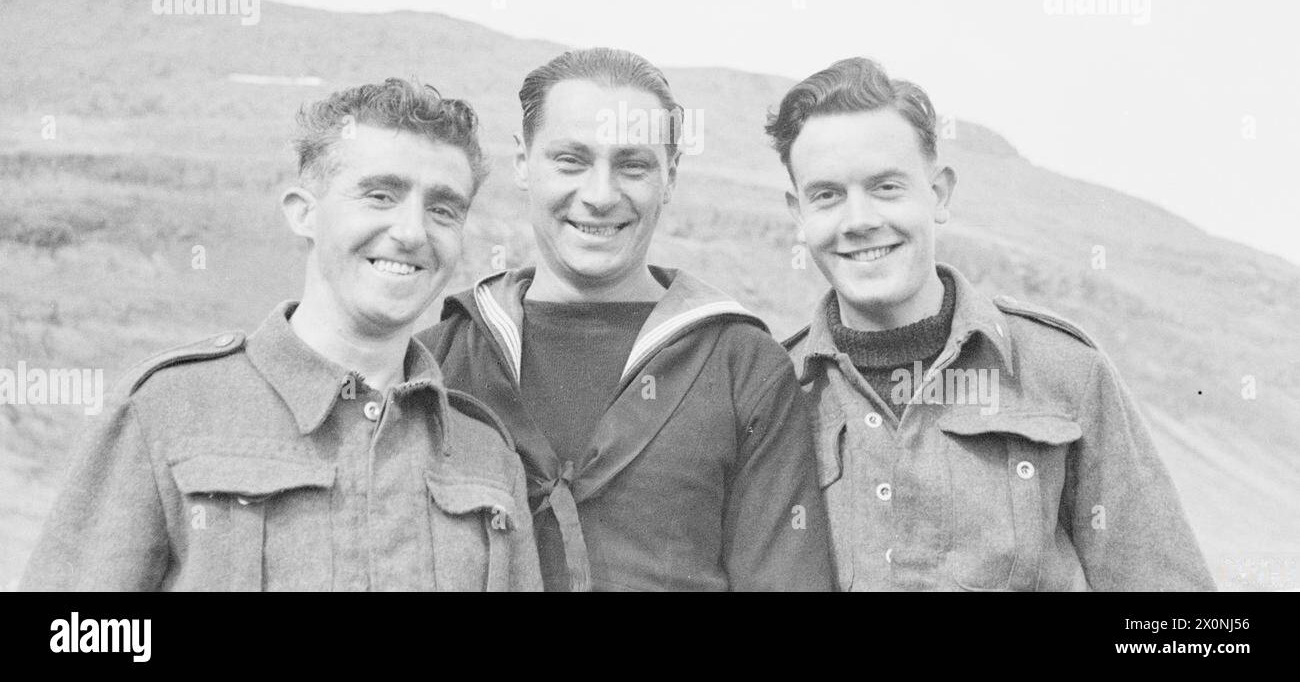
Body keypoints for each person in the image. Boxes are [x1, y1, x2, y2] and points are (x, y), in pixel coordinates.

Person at [21, 78, 542, 591]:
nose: (411, 232)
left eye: (443, 210)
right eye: (380, 195)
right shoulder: (168, 412)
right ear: (304, 212)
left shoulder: (485, 455)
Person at [768, 56, 1216, 591]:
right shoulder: (769, 395)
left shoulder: (1065, 374)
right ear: (799, 214)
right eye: (828, 195)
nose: (860, 220)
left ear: (938, 195)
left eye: (886, 187)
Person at [418, 48, 834, 591]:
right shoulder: (437, 362)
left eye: (632, 165)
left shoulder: (744, 367)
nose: (599, 195)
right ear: (523, 163)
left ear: (671, 176)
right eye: (570, 160)